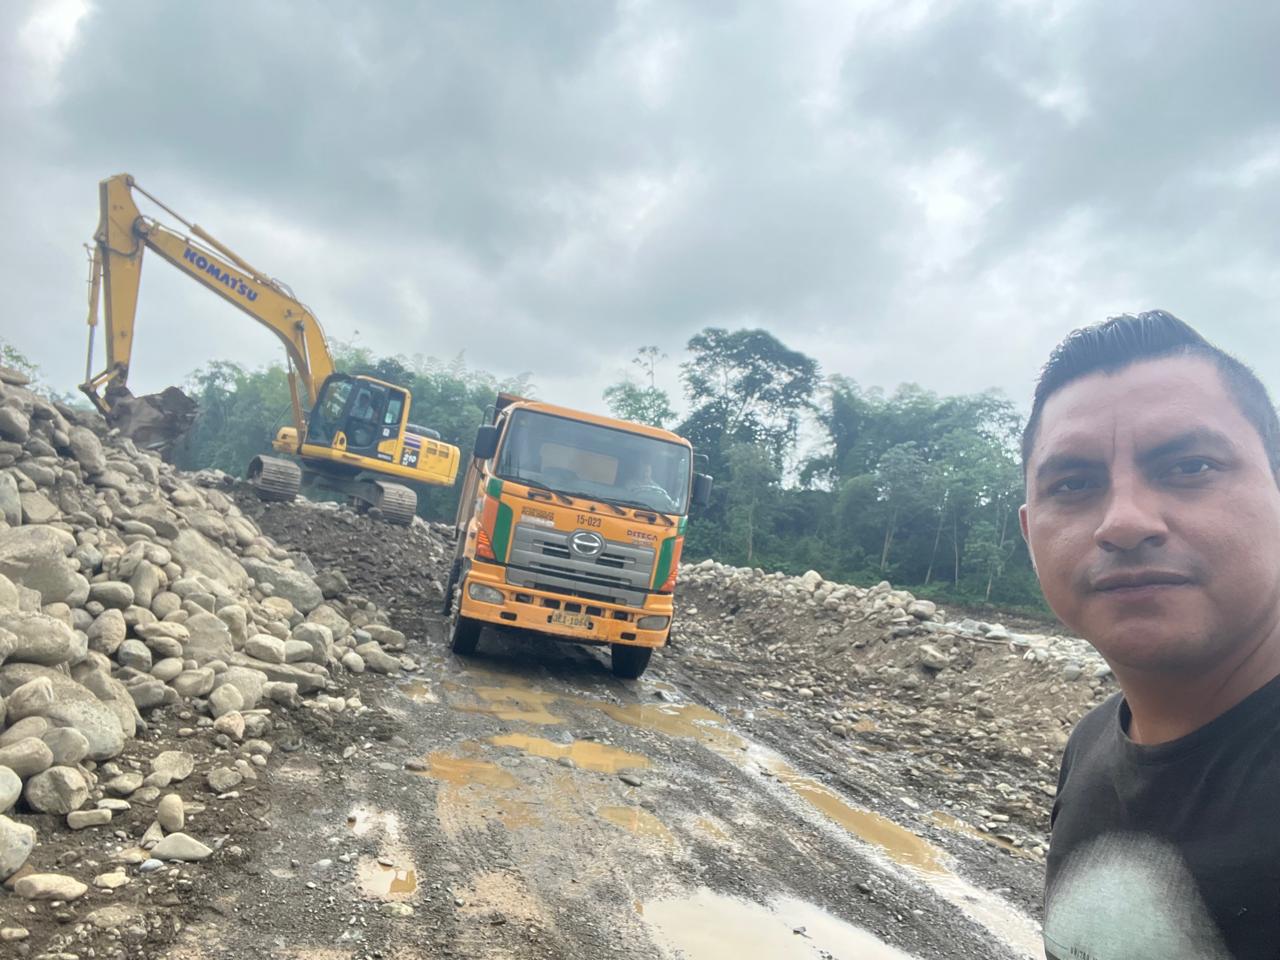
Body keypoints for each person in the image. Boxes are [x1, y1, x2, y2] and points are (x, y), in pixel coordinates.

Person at [1019, 310, 1280, 960]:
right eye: (1073, 484)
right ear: (1029, 533)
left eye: (1190, 466)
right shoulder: (1092, 745)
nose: (1124, 522)